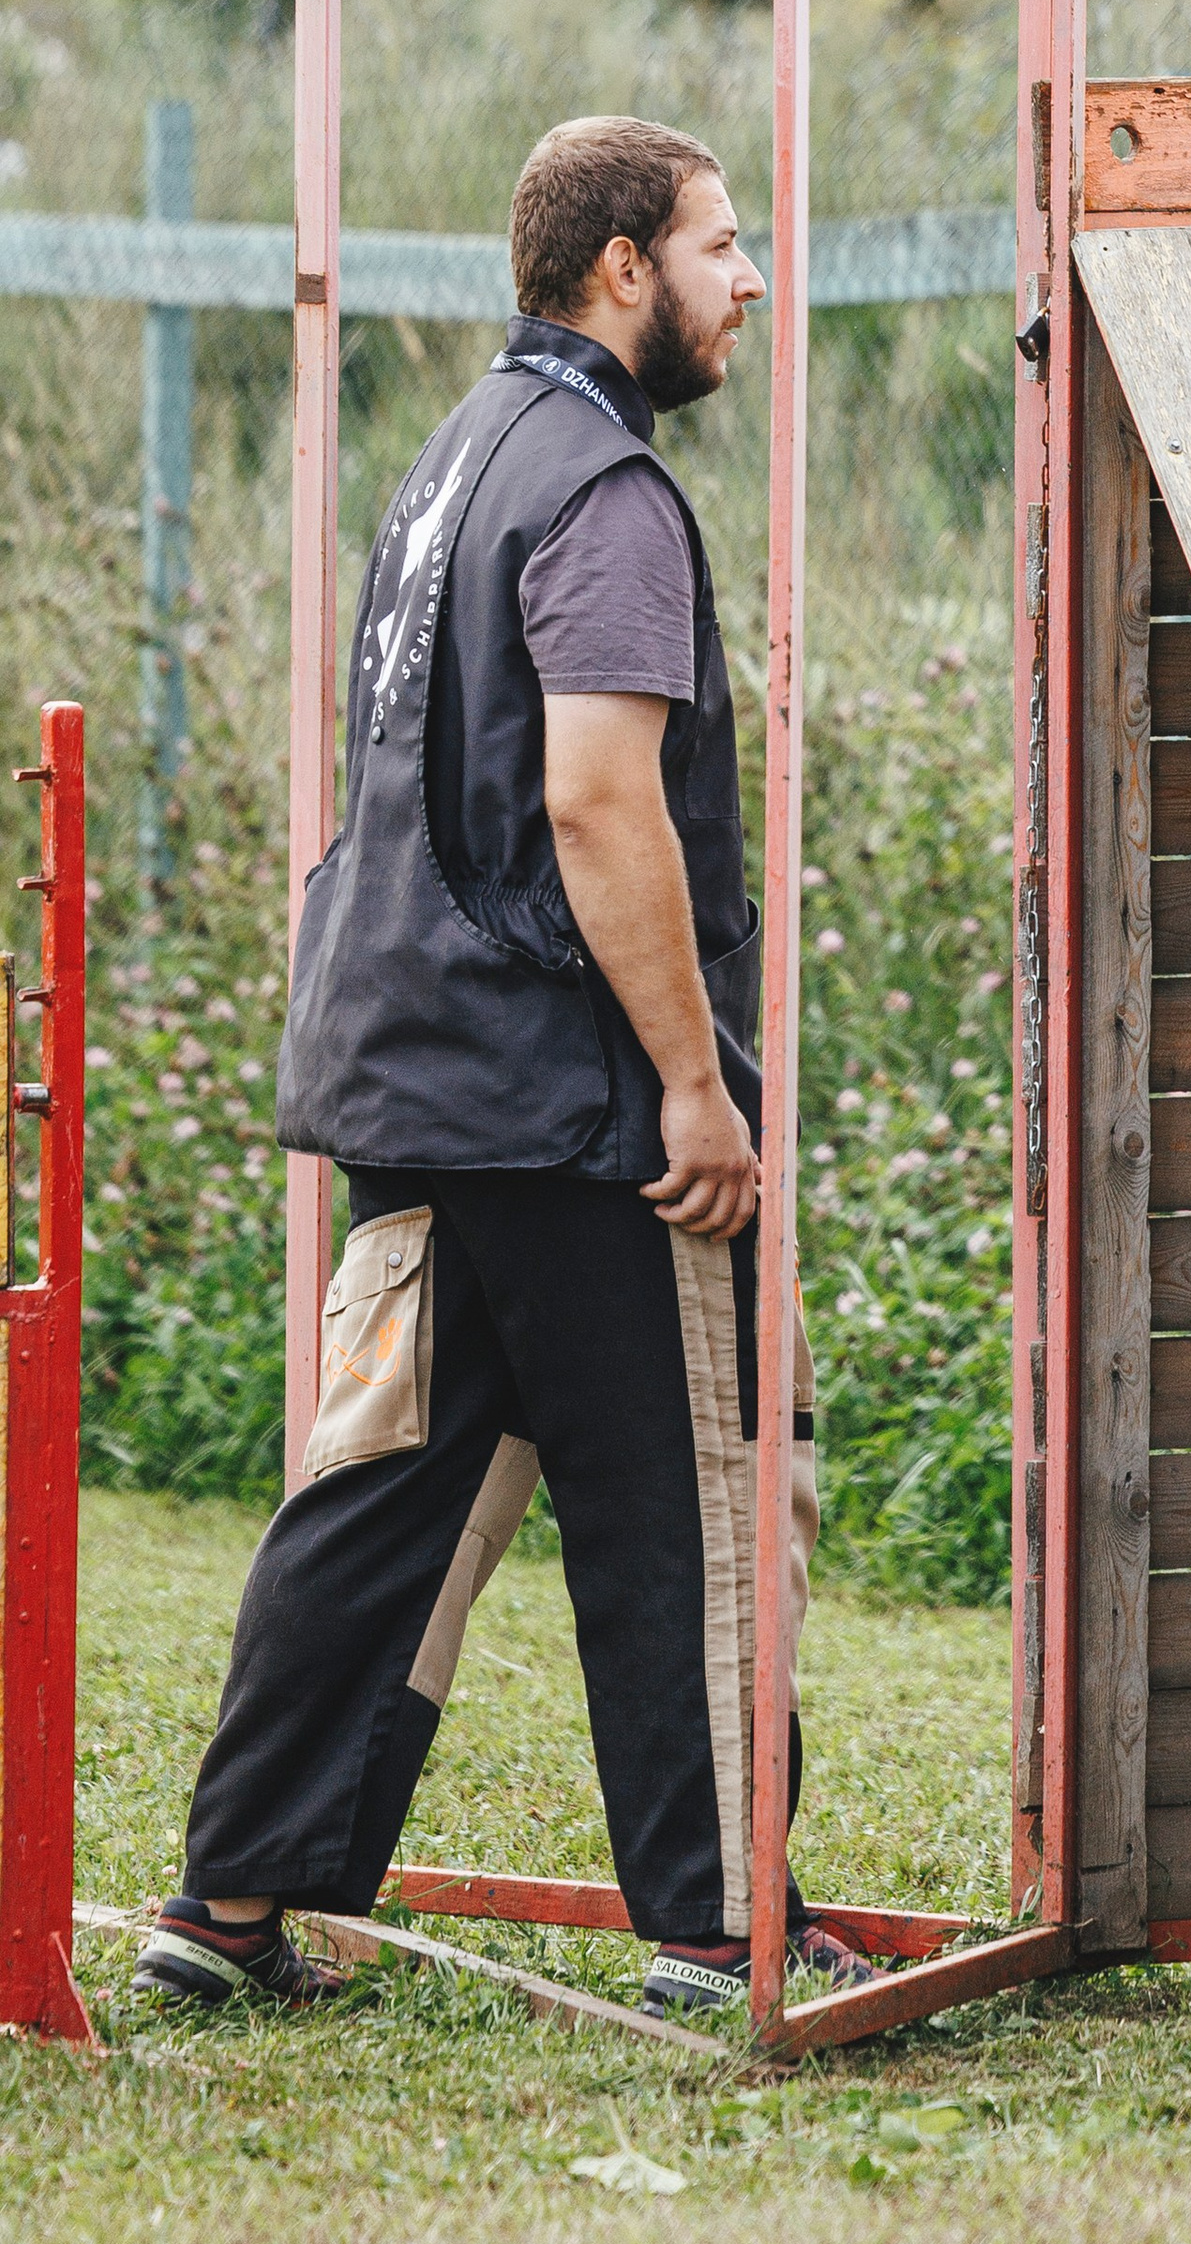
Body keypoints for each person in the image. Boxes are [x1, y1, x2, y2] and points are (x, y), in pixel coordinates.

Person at [135, 116, 867, 2022]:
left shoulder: (459, 454)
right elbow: (598, 799)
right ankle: (721, 1927)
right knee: (698, 1488)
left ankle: (230, 1896)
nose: (748, 281)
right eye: (719, 244)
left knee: (384, 1491)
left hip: (412, 1067)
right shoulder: (607, 487)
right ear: (624, 265)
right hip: (567, 1092)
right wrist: (695, 1084)